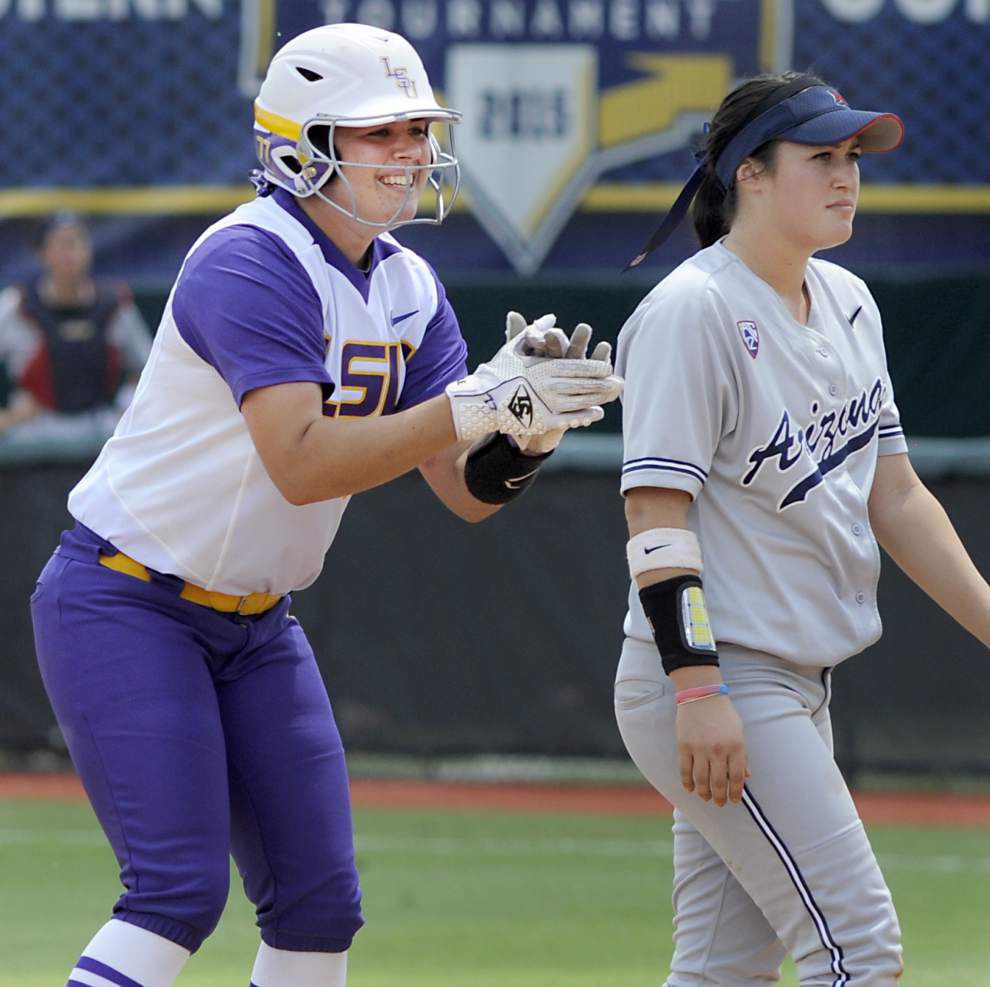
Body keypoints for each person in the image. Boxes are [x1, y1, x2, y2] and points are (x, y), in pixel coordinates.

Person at [29, 23, 621, 987]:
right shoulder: (251, 258)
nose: (410, 153)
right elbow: (301, 464)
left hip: (258, 623)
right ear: (302, 141)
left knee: (318, 909)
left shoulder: (407, 281)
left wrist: (525, 437)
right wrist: (475, 401)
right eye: (379, 131)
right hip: (126, 600)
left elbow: (463, 492)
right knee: (175, 895)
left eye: (416, 130)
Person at [613, 72, 990, 985]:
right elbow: (656, 514)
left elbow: (895, 497)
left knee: (723, 971)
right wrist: (699, 690)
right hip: (718, 675)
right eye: (820, 156)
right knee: (859, 951)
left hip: (793, 681)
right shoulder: (691, 310)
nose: (846, 175)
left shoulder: (851, 302)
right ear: (748, 173)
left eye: (852, 156)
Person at [0, 212, 151, 445]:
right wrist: (9, 417)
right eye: (60, 245)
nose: (69, 254)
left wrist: (127, 407)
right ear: (42, 254)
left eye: (76, 243)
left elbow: (147, 370)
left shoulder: (115, 305)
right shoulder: (17, 306)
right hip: (34, 433)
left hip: (100, 427)